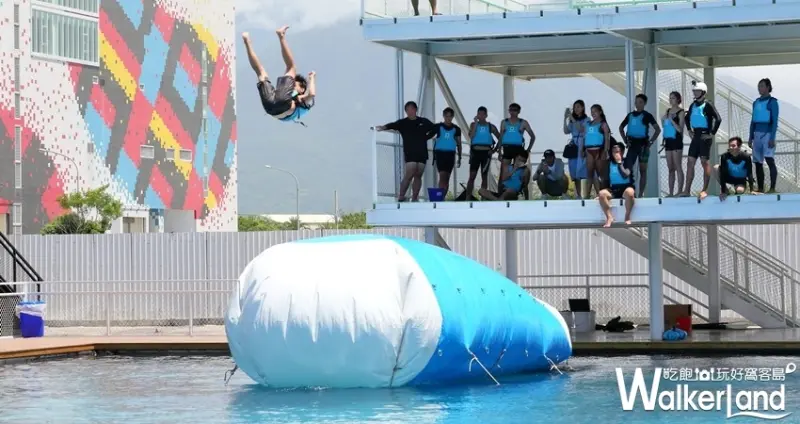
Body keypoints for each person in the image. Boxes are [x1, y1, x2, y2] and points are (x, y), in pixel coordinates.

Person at [242, 27, 315, 125]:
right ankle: (247, 42)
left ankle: (281, 36)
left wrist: (312, 78)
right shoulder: (294, 99)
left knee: (291, 67)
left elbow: (312, 94)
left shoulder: (301, 99)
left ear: (302, 89)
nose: (291, 84)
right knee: (261, 73)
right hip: (270, 108)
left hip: (282, 104)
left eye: (294, 84)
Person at [373, 101, 436, 202]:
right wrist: (383, 127)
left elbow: (434, 128)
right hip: (410, 152)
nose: (410, 111)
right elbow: (393, 125)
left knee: (418, 174)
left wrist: (427, 137)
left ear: (416, 109)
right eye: (408, 110)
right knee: (409, 173)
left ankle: (415, 197)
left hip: (422, 152)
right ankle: (401, 196)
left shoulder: (423, 121)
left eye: (412, 109)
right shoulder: (403, 122)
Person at [681, 80, 722, 200]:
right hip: (696, 136)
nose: (695, 92)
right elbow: (687, 118)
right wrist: (689, 130)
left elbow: (718, 119)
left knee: (704, 162)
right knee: (690, 162)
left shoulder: (708, 104)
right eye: (694, 91)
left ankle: (704, 190)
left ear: (703, 92)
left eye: (697, 91)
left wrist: (712, 133)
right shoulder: (693, 105)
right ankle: (686, 190)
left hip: (705, 136)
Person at [619, 94, 661, 197]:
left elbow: (657, 129)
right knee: (628, 168)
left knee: (643, 171)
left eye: (640, 102)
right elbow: (621, 128)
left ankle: (641, 194)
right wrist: (625, 141)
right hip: (632, 145)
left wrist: (650, 142)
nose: (638, 104)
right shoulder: (630, 115)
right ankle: (628, 192)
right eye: (636, 101)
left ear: (644, 103)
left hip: (643, 146)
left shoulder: (647, 115)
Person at [749, 78, 780, 193]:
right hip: (757, 134)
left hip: (767, 134)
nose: (760, 88)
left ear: (768, 87)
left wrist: (772, 137)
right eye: (759, 86)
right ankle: (760, 188)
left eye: (762, 86)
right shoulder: (756, 102)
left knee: (769, 159)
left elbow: (775, 121)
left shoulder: (773, 102)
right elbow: (753, 121)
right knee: (757, 162)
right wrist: (750, 136)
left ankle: (772, 187)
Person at [466, 106, 501, 198]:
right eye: (479, 114)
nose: (480, 116)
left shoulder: (490, 126)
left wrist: (495, 150)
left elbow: (500, 138)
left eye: (482, 114)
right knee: (472, 176)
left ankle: (483, 197)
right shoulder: (473, 125)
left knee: (484, 176)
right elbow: (471, 136)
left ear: (486, 115)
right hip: (475, 152)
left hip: (486, 153)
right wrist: (476, 124)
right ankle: (468, 197)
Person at [598, 143, 635, 228]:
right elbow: (605, 180)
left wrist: (619, 163)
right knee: (602, 194)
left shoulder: (627, 161)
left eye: (617, 152)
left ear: (622, 152)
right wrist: (601, 194)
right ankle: (609, 217)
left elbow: (625, 175)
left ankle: (627, 216)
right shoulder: (609, 163)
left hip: (626, 187)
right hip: (614, 189)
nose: (615, 154)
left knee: (630, 192)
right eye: (613, 152)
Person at [430, 107, 462, 196]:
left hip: (451, 155)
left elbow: (459, 144)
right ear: (443, 116)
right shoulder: (438, 126)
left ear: (452, 117)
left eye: (450, 116)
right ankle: (439, 197)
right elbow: (428, 134)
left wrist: (460, 157)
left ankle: (442, 197)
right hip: (440, 154)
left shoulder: (456, 129)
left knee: (447, 179)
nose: (448, 118)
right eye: (446, 116)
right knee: (443, 176)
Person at [498, 103, 536, 179]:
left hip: (519, 149)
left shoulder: (523, 122)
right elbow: (501, 138)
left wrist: (528, 149)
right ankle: (502, 189)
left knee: (519, 172)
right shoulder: (504, 122)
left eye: (515, 110)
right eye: (511, 110)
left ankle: (519, 189)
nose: (512, 112)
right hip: (507, 149)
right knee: (504, 172)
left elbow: (532, 136)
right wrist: (499, 152)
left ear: (518, 111)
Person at [563, 100, 590, 199]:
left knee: (583, 169)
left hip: (582, 144)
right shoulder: (572, 120)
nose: (576, 109)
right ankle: (578, 194)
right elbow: (566, 131)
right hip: (574, 144)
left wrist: (572, 118)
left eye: (578, 107)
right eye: (575, 107)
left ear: (583, 108)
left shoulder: (587, 119)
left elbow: (581, 129)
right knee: (574, 171)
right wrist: (565, 118)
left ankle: (586, 194)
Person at [584, 104, 611, 199]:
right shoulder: (588, 124)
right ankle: (587, 195)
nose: (593, 113)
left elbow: (607, 138)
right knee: (589, 173)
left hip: (599, 150)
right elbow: (584, 135)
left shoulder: (603, 124)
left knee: (601, 174)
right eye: (591, 111)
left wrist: (606, 151)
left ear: (600, 112)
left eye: (595, 111)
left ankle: (602, 195)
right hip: (589, 150)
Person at [662, 91, 686, 197]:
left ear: (678, 99)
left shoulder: (681, 112)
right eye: (670, 98)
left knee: (677, 166)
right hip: (668, 142)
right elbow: (665, 126)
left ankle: (680, 190)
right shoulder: (667, 111)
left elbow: (680, 129)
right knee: (670, 168)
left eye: (673, 98)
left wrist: (672, 120)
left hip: (677, 142)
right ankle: (671, 192)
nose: (671, 100)